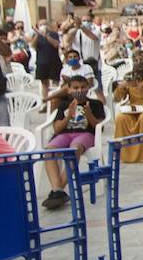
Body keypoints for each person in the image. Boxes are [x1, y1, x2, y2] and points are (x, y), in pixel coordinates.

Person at [40, 75, 107, 211]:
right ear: (69, 89)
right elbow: (57, 128)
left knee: (74, 149)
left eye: (83, 87)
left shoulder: (95, 104)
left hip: (85, 134)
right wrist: (68, 116)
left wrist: (89, 114)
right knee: (49, 150)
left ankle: (58, 190)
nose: (80, 90)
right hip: (64, 134)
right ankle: (57, 190)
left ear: (88, 88)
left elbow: (98, 127)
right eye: (76, 88)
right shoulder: (64, 105)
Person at [29, 20, 63, 103]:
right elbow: (33, 46)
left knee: (56, 82)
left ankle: (56, 100)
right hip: (41, 62)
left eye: (44, 24)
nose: (43, 26)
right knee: (44, 84)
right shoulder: (36, 35)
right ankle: (45, 101)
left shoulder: (54, 34)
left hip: (54, 61)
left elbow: (56, 44)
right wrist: (38, 34)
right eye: (41, 24)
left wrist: (46, 35)